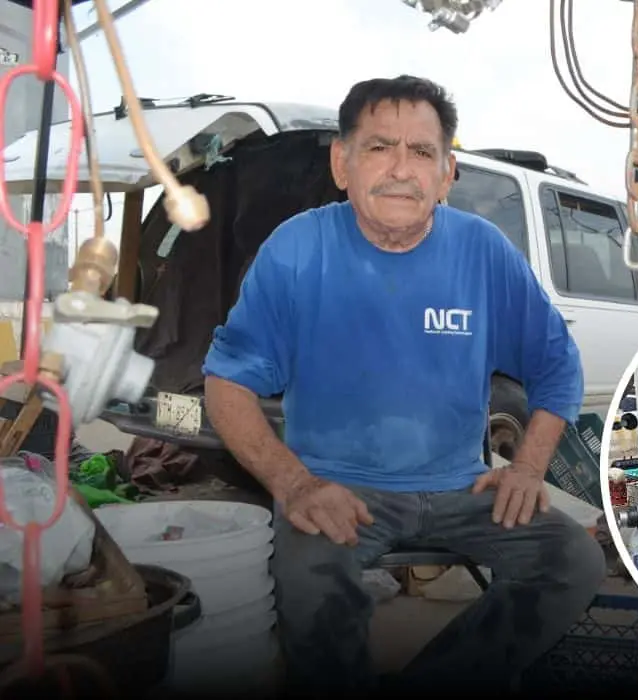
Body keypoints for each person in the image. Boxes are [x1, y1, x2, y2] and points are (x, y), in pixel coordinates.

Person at [202, 75, 606, 694]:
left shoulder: (484, 252)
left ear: (446, 174)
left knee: (572, 561)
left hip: (461, 487)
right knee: (311, 597)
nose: (401, 169)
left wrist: (526, 469)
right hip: (338, 488)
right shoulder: (297, 250)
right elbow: (226, 382)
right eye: (379, 147)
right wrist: (296, 484)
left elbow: (556, 365)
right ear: (343, 163)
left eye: (422, 153)